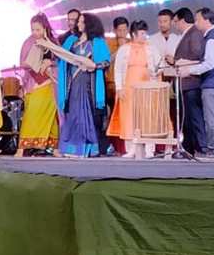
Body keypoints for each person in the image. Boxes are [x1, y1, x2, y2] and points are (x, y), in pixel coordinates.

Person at [44, 13, 111, 157]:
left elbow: (106, 62)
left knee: (85, 114)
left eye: (81, 22)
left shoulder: (97, 42)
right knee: (72, 113)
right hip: (72, 83)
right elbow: (62, 56)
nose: (78, 24)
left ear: (89, 24)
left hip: (88, 84)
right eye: (78, 21)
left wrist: (94, 65)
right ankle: (72, 148)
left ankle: (87, 148)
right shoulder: (72, 41)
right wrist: (47, 45)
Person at [177, 8, 214, 159]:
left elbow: (209, 64)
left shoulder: (212, 38)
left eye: (198, 19)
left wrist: (189, 70)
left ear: (207, 20)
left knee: (212, 119)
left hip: (212, 83)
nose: (196, 23)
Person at [108, 20, 163, 158]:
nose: (144, 36)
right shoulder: (124, 49)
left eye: (145, 33)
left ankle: (149, 148)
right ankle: (131, 149)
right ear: (134, 34)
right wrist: (119, 88)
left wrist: (155, 72)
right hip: (129, 88)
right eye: (142, 33)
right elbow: (118, 70)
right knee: (129, 117)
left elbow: (160, 65)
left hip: (147, 88)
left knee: (147, 117)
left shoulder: (151, 48)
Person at [16, 13, 60, 157]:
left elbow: (60, 60)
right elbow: (22, 63)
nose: (35, 32)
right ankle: (21, 148)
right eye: (33, 29)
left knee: (51, 118)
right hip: (35, 84)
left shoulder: (53, 42)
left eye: (38, 30)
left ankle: (54, 148)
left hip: (50, 84)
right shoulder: (29, 42)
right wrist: (37, 63)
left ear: (45, 28)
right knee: (31, 115)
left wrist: (50, 62)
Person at [171, 8, 207, 156]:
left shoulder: (194, 33)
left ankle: (201, 147)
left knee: (194, 117)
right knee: (186, 120)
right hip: (184, 83)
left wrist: (183, 62)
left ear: (182, 20)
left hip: (192, 83)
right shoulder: (187, 34)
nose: (175, 25)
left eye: (175, 22)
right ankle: (188, 148)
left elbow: (199, 56)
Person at [105, 16, 130, 153]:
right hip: (111, 85)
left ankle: (126, 146)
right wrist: (120, 49)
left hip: (128, 85)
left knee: (126, 115)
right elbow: (106, 61)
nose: (122, 33)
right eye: (119, 30)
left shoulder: (131, 43)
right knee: (113, 116)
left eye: (125, 30)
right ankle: (113, 145)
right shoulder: (108, 43)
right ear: (115, 30)